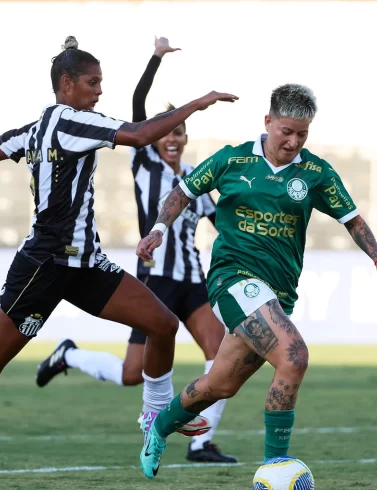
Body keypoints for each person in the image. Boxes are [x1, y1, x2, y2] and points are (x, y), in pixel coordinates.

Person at [0, 36, 238, 483]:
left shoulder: (41, 126)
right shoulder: (72, 122)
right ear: (67, 83)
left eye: (101, 83)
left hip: (84, 264)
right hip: (44, 266)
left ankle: (154, 418)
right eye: (92, 82)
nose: (99, 91)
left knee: (162, 324)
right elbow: (139, 135)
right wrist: (198, 102)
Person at [134, 83, 377, 478]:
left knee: (220, 385)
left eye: (302, 134)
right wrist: (159, 228)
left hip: (278, 293)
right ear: (268, 122)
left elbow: (353, 220)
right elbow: (183, 192)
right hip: (232, 278)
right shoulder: (232, 160)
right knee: (294, 356)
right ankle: (276, 467)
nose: (294, 141)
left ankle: (158, 427)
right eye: (287, 132)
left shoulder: (315, 173)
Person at [34, 37, 236, 464]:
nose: (173, 138)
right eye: (168, 132)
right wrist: (156, 58)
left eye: (179, 132)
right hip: (156, 281)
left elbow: (225, 229)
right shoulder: (145, 163)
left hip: (192, 282)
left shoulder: (196, 183)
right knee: (131, 374)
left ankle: (201, 444)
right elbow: (139, 103)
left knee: (221, 356)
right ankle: (69, 354)